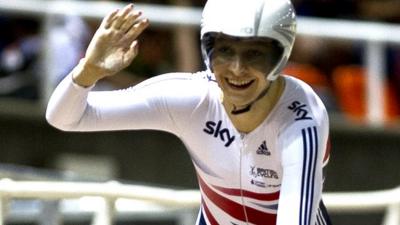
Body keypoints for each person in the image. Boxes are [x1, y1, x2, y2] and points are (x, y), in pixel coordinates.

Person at [46, 1, 332, 224]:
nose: (236, 68)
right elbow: (64, 117)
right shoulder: (192, 98)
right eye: (225, 51)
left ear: (280, 57)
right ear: (207, 51)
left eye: (254, 53)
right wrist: (88, 72)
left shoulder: (303, 118)